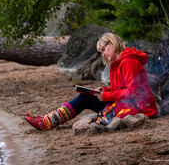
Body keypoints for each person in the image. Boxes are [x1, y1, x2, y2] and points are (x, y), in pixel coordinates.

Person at [24, 32, 158, 130]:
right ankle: (48, 120)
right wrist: (103, 91)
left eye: (104, 50)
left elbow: (131, 92)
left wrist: (105, 96)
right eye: (101, 52)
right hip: (125, 104)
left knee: (84, 98)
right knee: (86, 96)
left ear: (112, 44)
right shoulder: (115, 64)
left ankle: (47, 122)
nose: (103, 54)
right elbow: (119, 89)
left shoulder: (129, 62)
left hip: (138, 108)